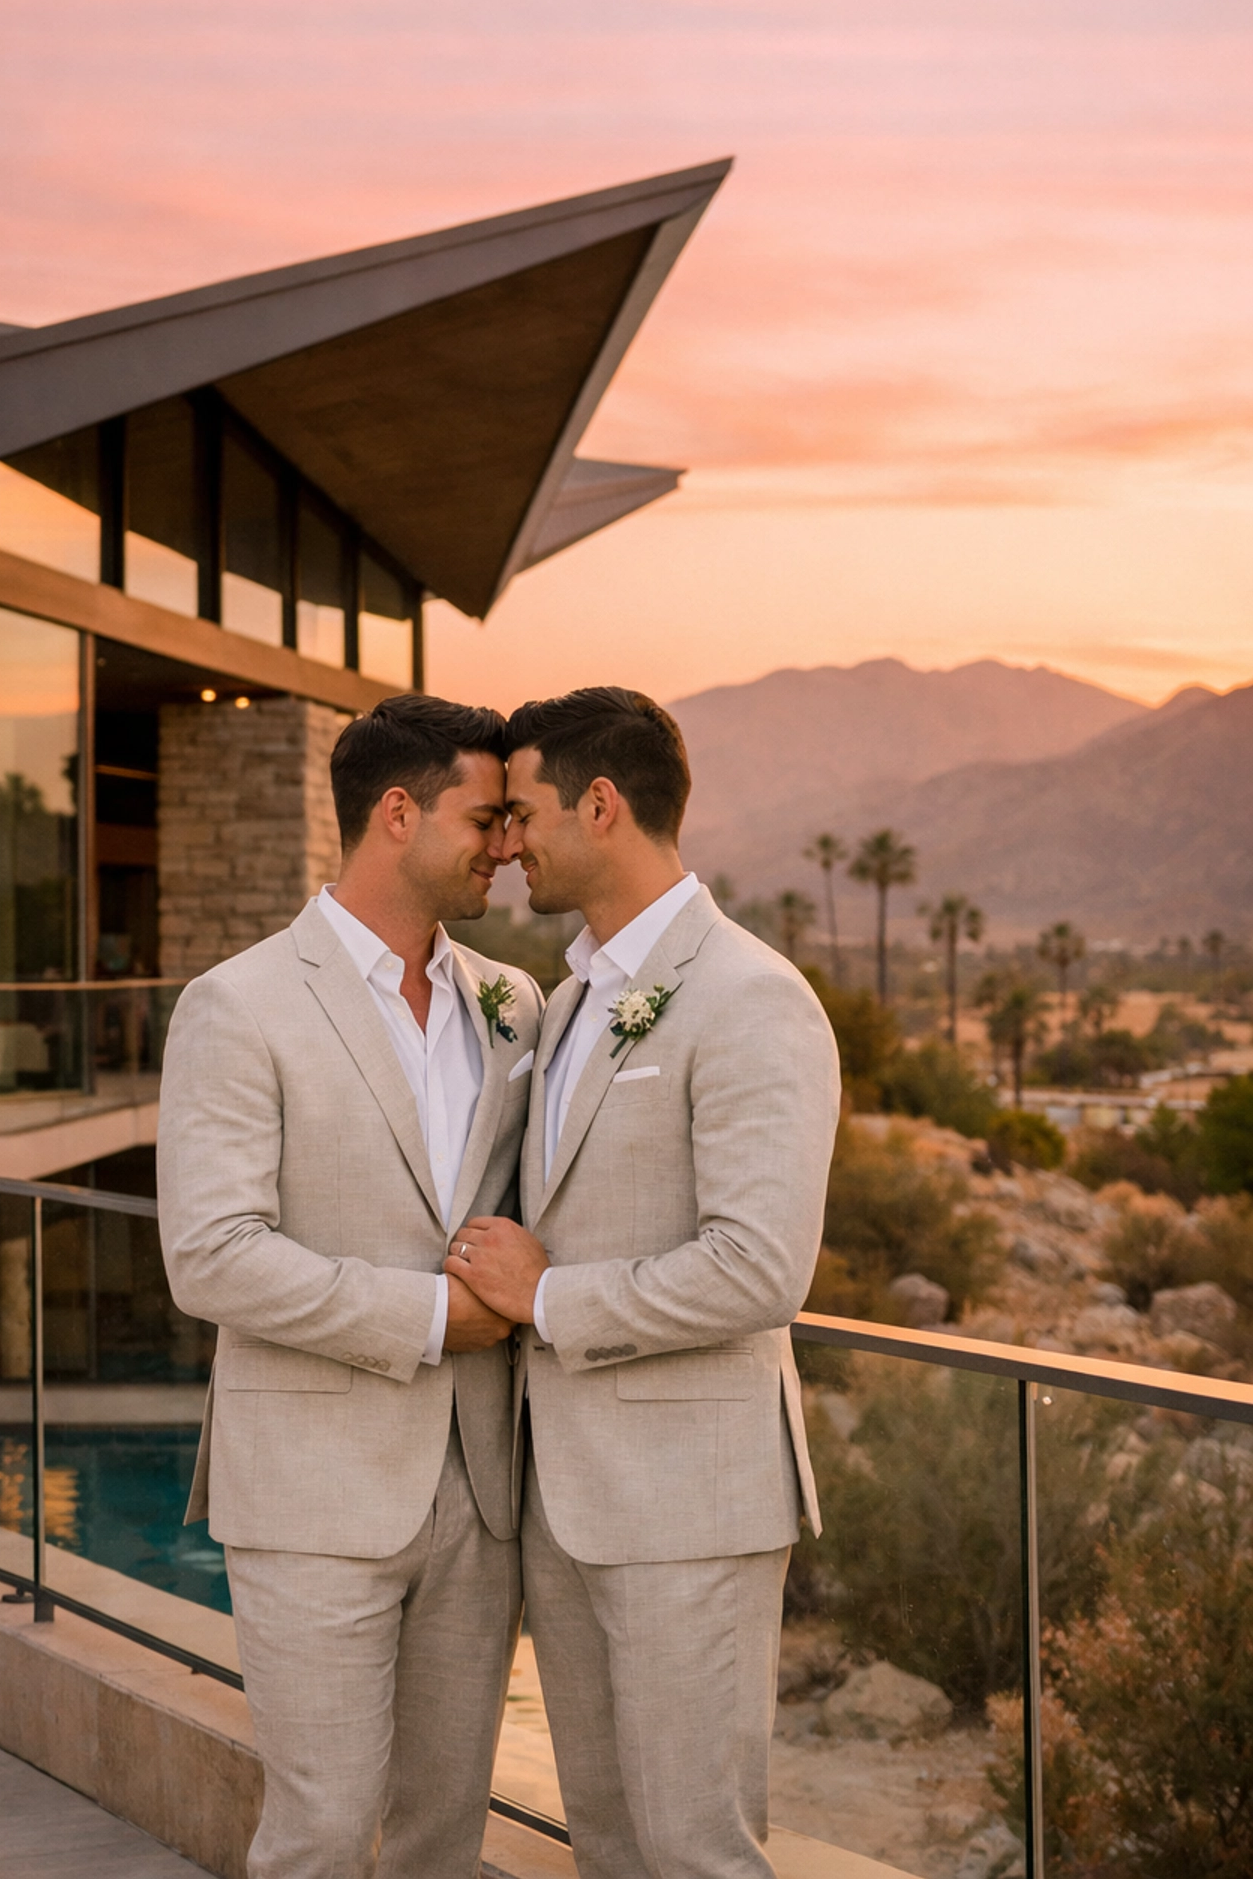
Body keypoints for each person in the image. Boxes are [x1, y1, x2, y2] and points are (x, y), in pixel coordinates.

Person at [446, 686, 839, 1879]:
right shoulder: (569, 999)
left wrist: (548, 1297)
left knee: (694, 1848)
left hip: (690, 1510)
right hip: (567, 1508)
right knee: (611, 1843)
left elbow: (759, 1268)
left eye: (523, 813)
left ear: (601, 805)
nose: (506, 843)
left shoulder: (749, 997)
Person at [157, 693, 543, 1879]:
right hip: (314, 1501)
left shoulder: (512, 1006)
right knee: (320, 1834)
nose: (508, 847)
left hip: (479, 1500)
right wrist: (433, 1317)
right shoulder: (238, 1005)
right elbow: (211, 1253)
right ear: (395, 813)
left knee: (442, 1837)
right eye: (485, 819)